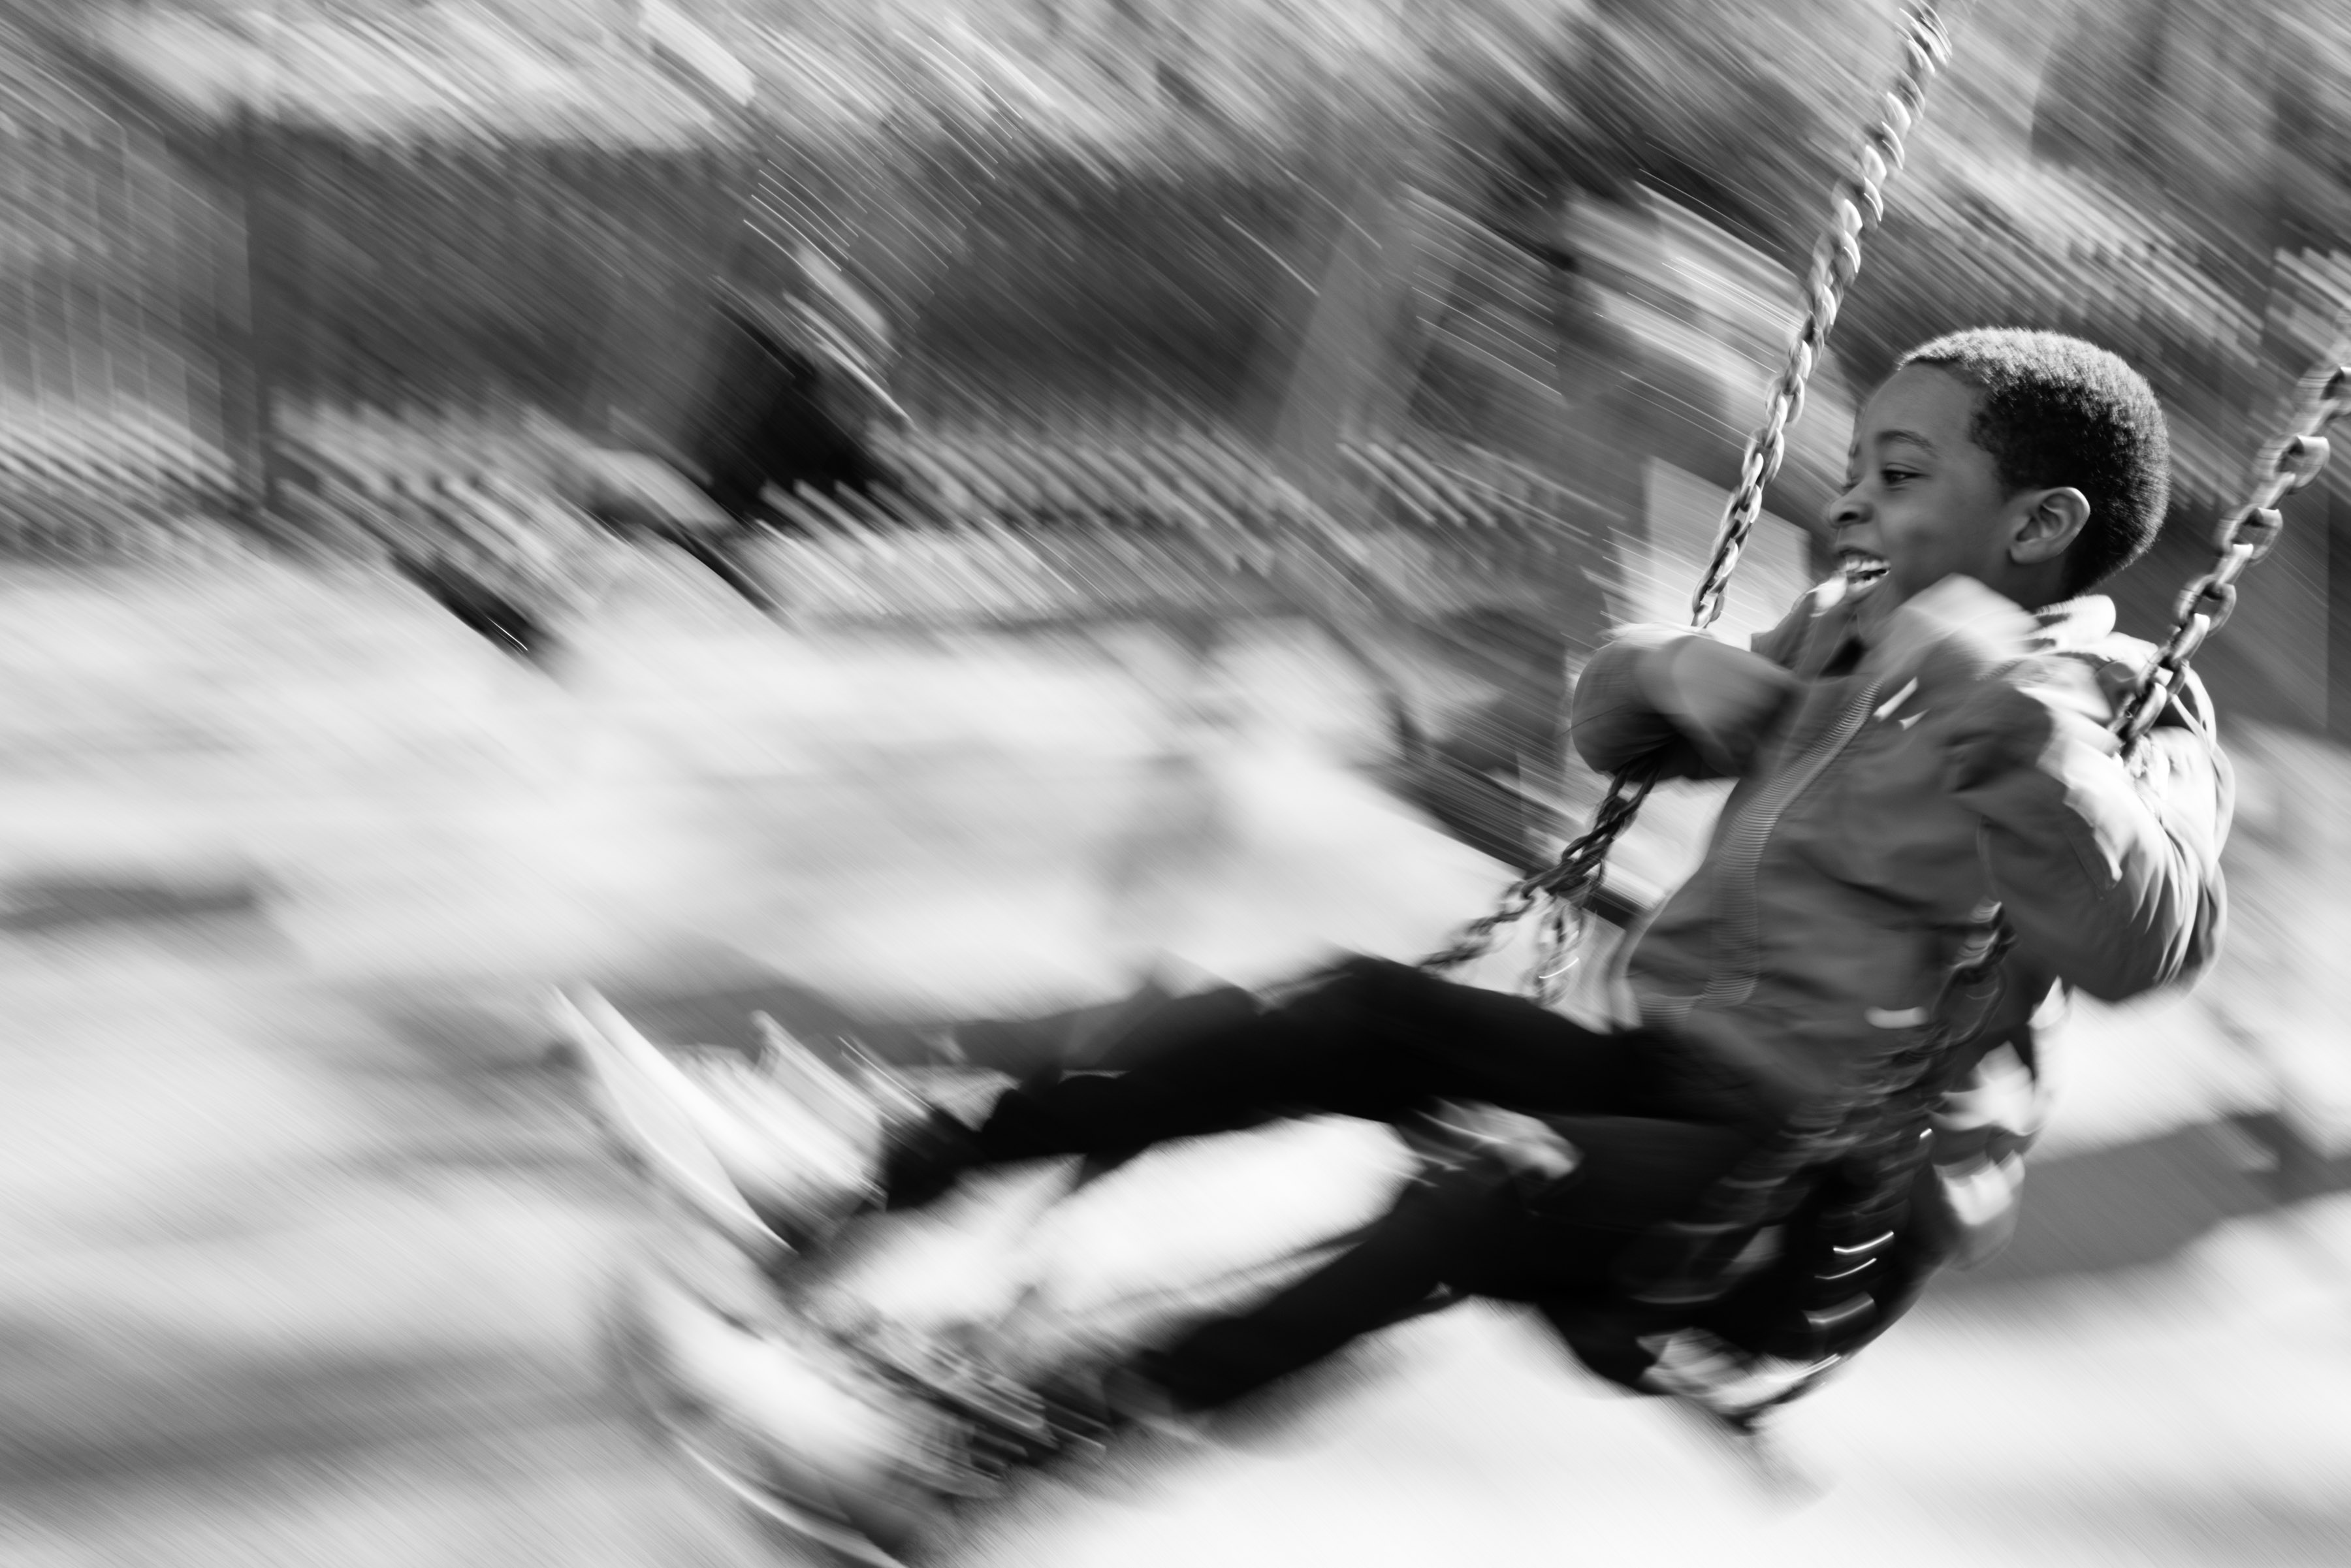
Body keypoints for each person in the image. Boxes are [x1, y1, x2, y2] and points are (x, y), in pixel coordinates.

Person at [877, 328, 2233, 1430]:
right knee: (1360, 1012)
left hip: (1810, 1206)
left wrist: (2000, 703)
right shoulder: (1842, 629)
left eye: (1899, 473)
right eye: (1857, 466)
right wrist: (1663, 671)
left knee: (1499, 1184)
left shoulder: (2116, 709)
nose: (1850, 500)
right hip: (1664, 1077)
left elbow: (2145, 941)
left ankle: (1044, 1425)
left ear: (2038, 523)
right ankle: (893, 1175)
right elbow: (1618, 736)